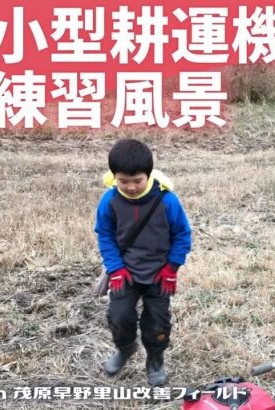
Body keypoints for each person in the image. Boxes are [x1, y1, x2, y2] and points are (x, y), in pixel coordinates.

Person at [95, 138, 192, 385]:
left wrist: (172, 268)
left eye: (137, 181)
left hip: (160, 275)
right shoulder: (109, 201)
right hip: (124, 273)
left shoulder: (167, 200)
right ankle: (125, 349)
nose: (130, 187)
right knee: (119, 317)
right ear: (113, 176)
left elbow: (182, 235)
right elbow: (105, 236)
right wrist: (115, 269)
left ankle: (155, 359)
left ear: (148, 175)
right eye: (123, 181)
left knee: (157, 322)